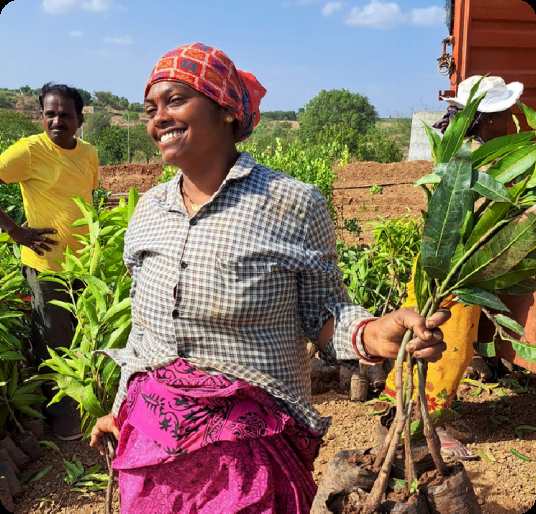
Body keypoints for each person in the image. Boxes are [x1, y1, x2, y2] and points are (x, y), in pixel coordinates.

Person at [89, 42, 449, 514]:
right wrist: (120, 408)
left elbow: (322, 313)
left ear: (225, 110)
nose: (159, 118)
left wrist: (374, 334)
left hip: (248, 453)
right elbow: (143, 332)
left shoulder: (291, 202)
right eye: (150, 109)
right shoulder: (149, 210)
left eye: (175, 100)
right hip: (152, 440)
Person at [382, 75, 525, 459]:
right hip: (451, 268)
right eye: (504, 114)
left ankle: (428, 414)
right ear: (486, 119)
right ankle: (424, 425)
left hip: (446, 261)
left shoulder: (467, 150)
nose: (510, 121)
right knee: (446, 346)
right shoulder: (471, 160)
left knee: (440, 340)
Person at [0, 83, 99, 439]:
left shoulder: (88, 153)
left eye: (65, 115)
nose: (57, 121)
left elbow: (87, 198)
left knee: (84, 337)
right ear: (41, 116)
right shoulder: (29, 151)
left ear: (80, 119)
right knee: (54, 341)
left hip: (84, 265)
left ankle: (88, 407)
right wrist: (15, 231)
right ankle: (63, 418)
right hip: (46, 267)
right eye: (50, 114)